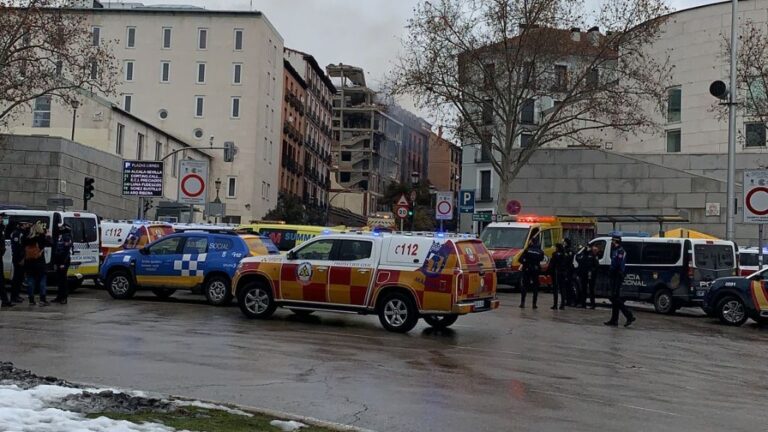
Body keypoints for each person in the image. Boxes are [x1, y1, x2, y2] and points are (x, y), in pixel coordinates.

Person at [605, 236, 636, 327]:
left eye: (613, 241)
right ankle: (614, 320)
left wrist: (613, 271)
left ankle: (629, 316)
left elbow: (618, 264)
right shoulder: (615, 250)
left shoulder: (620, 251)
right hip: (614, 275)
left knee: (615, 298)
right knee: (614, 299)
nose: (611, 243)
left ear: (616, 241)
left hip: (617, 275)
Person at [24, 221, 51, 306]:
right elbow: (50, 244)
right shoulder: (42, 237)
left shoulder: (27, 238)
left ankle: (31, 300)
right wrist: (49, 236)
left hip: (29, 263)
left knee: (30, 281)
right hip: (39, 263)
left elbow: (22, 247)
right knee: (42, 281)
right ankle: (42, 299)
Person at [518, 238, 544, 309]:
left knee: (525, 286)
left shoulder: (527, 250)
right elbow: (541, 259)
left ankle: (522, 303)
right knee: (535, 287)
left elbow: (520, 259)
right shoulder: (540, 251)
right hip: (535, 270)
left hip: (527, 269)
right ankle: (534, 304)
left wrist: (526, 262)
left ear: (532, 242)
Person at [9, 221, 30, 304]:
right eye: (24, 225)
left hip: (22, 257)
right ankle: (13, 296)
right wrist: (21, 259)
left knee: (20, 278)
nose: (26, 226)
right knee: (16, 278)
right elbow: (17, 248)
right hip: (18, 258)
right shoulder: (17, 233)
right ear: (20, 225)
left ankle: (17, 295)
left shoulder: (22, 233)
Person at [53, 224, 74, 305]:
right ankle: (59, 296)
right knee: (59, 280)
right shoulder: (61, 236)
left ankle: (64, 297)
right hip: (59, 260)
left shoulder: (67, 237)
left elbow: (66, 252)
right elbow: (57, 250)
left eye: (61, 228)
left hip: (63, 261)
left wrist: (63, 263)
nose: (59, 228)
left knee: (63, 280)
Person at [576, 244, 600, 308]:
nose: (587, 248)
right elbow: (577, 258)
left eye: (589, 247)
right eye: (586, 247)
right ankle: (583, 303)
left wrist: (592, 271)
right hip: (584, 275)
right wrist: (582, 250)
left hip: (591, 275)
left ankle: (593, 304)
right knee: (583, 289)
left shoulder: (593, 255)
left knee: (591, 289)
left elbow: (596, 266)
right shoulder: (583, 255)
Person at [550, 243, 569, 310]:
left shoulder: (555, 254)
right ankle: (562, 305)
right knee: (562, 289)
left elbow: (552, 264)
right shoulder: (565, 254)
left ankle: (555, 305)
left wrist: (549, 272)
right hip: (563, 273)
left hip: (556, 273)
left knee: (555, 289)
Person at [0, 214, 12, 308]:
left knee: (1, 280)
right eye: (1, 218)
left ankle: (5, 300)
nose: (3, 220)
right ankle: (5, 300)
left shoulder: (2, 229)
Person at [562, 238, 576, 306]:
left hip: (569, 270)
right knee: (564, 286)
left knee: (569, 286)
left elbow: (568, 260)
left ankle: (570, 300)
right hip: (564, 270)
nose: (563, 243)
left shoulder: (569, 251)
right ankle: (566, 300)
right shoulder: (564, 250)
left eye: (564, 242)